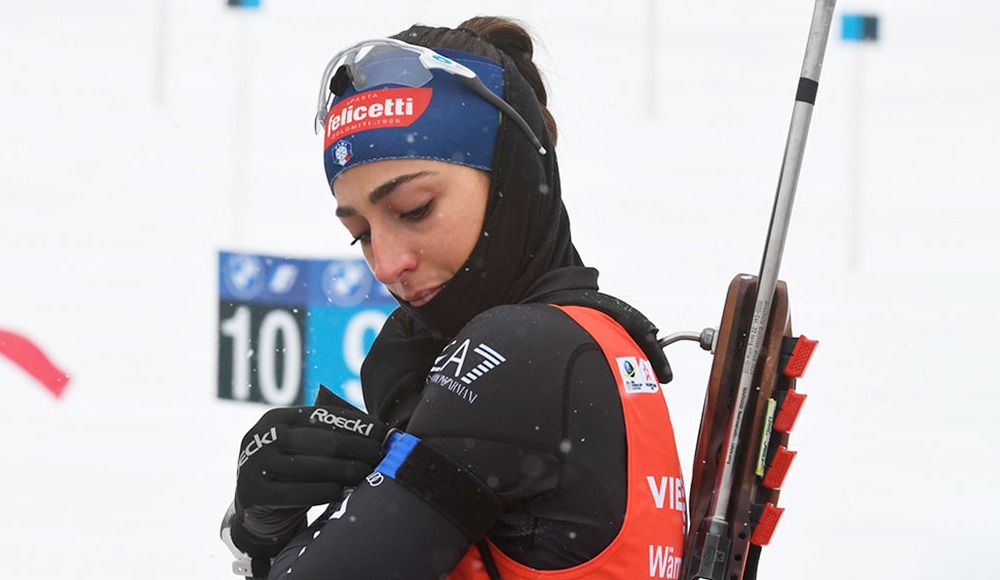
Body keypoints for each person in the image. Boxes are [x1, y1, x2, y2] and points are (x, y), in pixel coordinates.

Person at [221, 16, 687, 580]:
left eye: (416, 209)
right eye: (361, 233)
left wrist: (258, 534)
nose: (387, 264)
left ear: (512, 179)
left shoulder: (520, 348)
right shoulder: (582, 337)